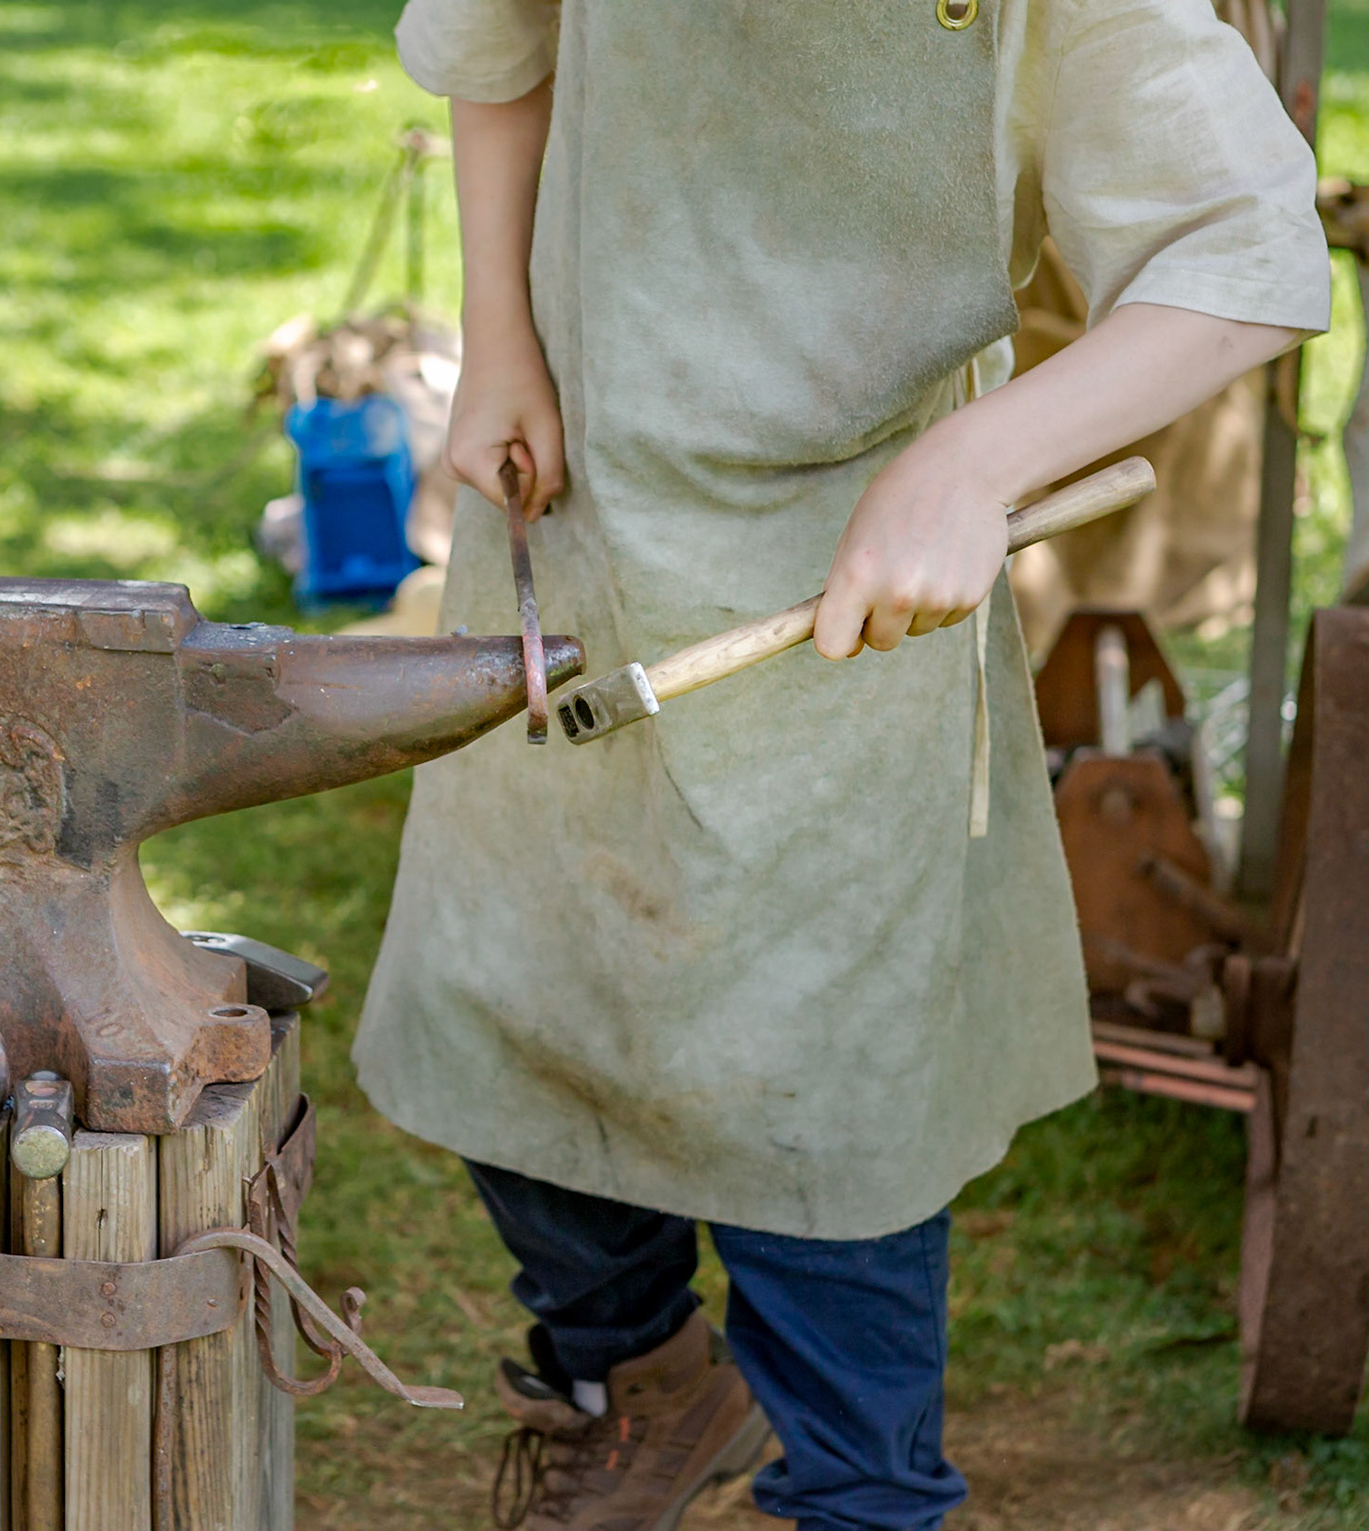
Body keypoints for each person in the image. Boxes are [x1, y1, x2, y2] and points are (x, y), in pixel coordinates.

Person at [353, 3, 1331, 1528]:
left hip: (851, 576)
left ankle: (865, 1498)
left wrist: (974, 464)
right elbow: (501, 44)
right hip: (578, 498)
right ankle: (637, 1374)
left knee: (821, 1103)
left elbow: (1247, 253)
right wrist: (499, 341)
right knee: (511, 1005)